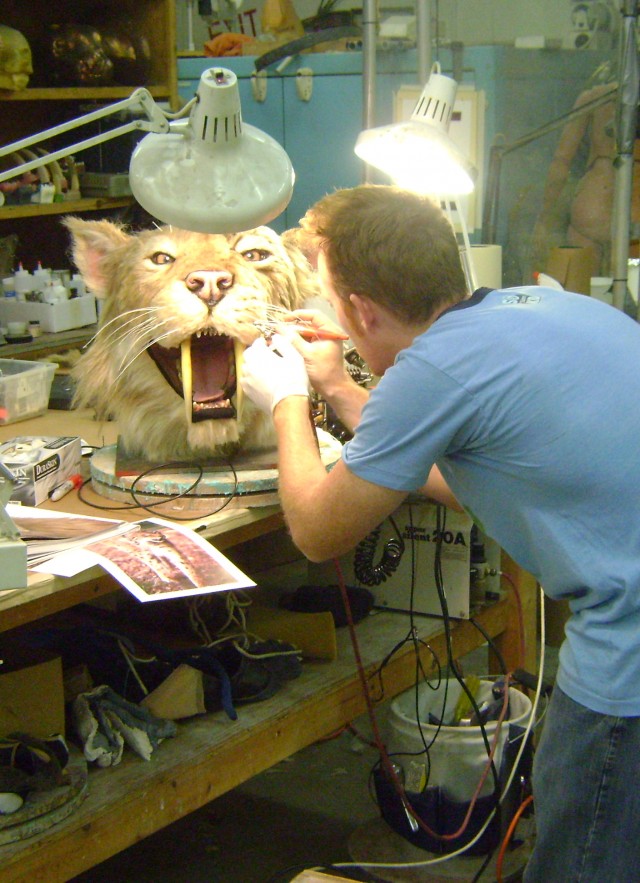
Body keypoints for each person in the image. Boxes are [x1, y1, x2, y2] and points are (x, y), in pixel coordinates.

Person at [239, 183, 640, 881]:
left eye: (331, 300)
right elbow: (474, 476)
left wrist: (285, 401)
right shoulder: (537, 305)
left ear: (361, 308)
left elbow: (314, 530)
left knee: (584, 858)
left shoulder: (433, 370)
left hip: (628, 659)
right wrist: (337, 386)